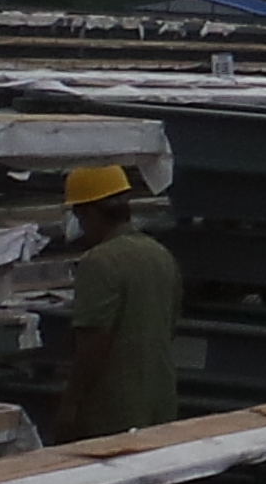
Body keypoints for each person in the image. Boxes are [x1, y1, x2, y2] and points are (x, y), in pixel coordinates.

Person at [55, 164, 184, 440]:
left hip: (114, 410)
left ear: (89, 212)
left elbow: (93, 343)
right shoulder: (160, 255)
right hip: (159, 402)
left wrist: (71, 404)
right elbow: (170, 325)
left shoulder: (99, 262)